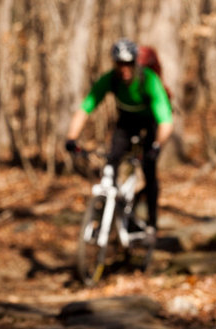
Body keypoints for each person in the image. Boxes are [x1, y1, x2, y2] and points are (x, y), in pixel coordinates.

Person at [65, 38, 173, 237]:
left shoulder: (148, 80)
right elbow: (85, 108)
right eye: (119, 64)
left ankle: (152, 222)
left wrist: (157, 145)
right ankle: (109, 215)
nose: (124, 69)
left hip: (150, 125)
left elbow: (165, 119)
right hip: (125, 124)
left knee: (149, 169)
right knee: (112, 161)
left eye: (128, 64)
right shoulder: (110, 80)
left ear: (135, 63)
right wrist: (71, 138)